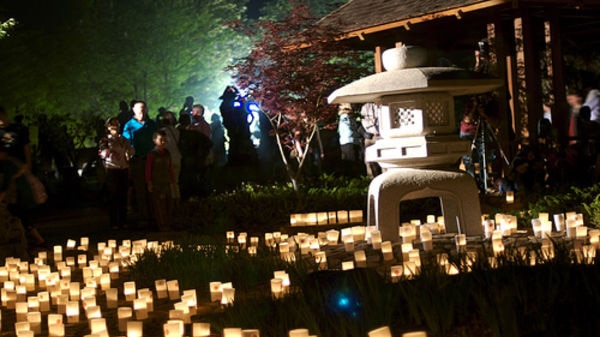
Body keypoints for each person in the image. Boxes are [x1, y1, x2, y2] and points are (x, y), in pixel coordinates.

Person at [122, 100, 157, 227]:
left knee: (153, 188)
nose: (141, 110)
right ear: (133, 109)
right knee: (140, 189)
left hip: (152, 160)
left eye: (143, 107)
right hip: (138, 160)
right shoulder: (129, 125)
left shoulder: (151, 124)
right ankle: (144, 217)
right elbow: (126, 142)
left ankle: (156, 215)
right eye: (138, 108)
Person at [98, 117, 135, 230]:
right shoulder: (105, 140)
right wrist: (108, 150)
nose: (115, 127)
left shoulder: (123, 139)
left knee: (123, 196)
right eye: (112, 125)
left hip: (123, 168)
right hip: (112, 169)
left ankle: (123, 221)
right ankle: (114, 222)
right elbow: (103, 153)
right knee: (113, 196)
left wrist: (129, 153)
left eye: (117, 124)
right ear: (108, 127)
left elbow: (131, 151)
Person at [145, 130, 175, 231]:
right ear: (155, 141)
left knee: (168, 204)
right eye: (161, 140)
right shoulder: (152, 154)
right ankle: (161, 225)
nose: (163, 142)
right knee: (158, 205)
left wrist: (173, 181)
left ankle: (168, 223)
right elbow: (148, 169)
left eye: (164, 140)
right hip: (156, 182)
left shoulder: (167, 153)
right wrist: (149, 182)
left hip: (166, 181)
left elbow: (170, 167)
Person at [158, 111, 182, 207]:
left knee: (168, 183)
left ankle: (170, 205)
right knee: (175, 182)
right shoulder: (177, 131)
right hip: (177, 157)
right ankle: (177, 203)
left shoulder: (162, 132)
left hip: (167, 159)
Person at [337, 103, 362, 176]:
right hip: (349, 141)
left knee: (349, 161)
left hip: (348, 141)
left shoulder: (348, 117)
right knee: (351, 161)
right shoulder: (345, 116)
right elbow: (351, 128)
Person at [360, 103, 382, 178]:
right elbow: (364, 121)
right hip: (370, 136)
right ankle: (371, 179)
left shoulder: (383, 105)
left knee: (383, 159)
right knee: (369, 160)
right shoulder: (366, 107)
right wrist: (372, 122)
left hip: (381, 136)